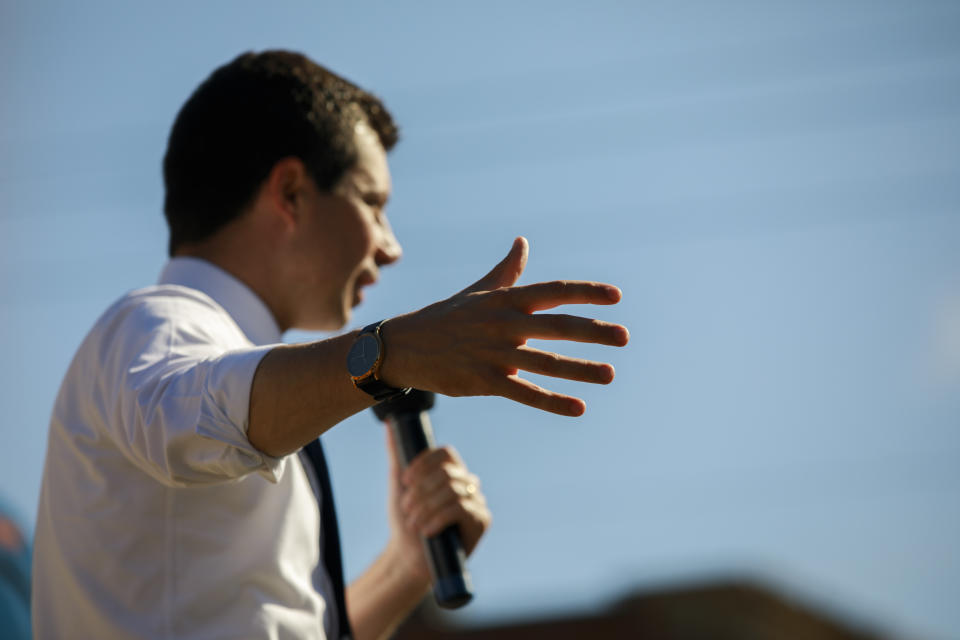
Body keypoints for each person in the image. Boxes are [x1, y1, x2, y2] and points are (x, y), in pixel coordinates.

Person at [32, 50, 629, 639]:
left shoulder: (244, 376)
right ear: (291, 192)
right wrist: (390, 353)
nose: (391, 247)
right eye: (372, 203)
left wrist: (404, 567)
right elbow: (188, 413)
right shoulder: (154, 321)